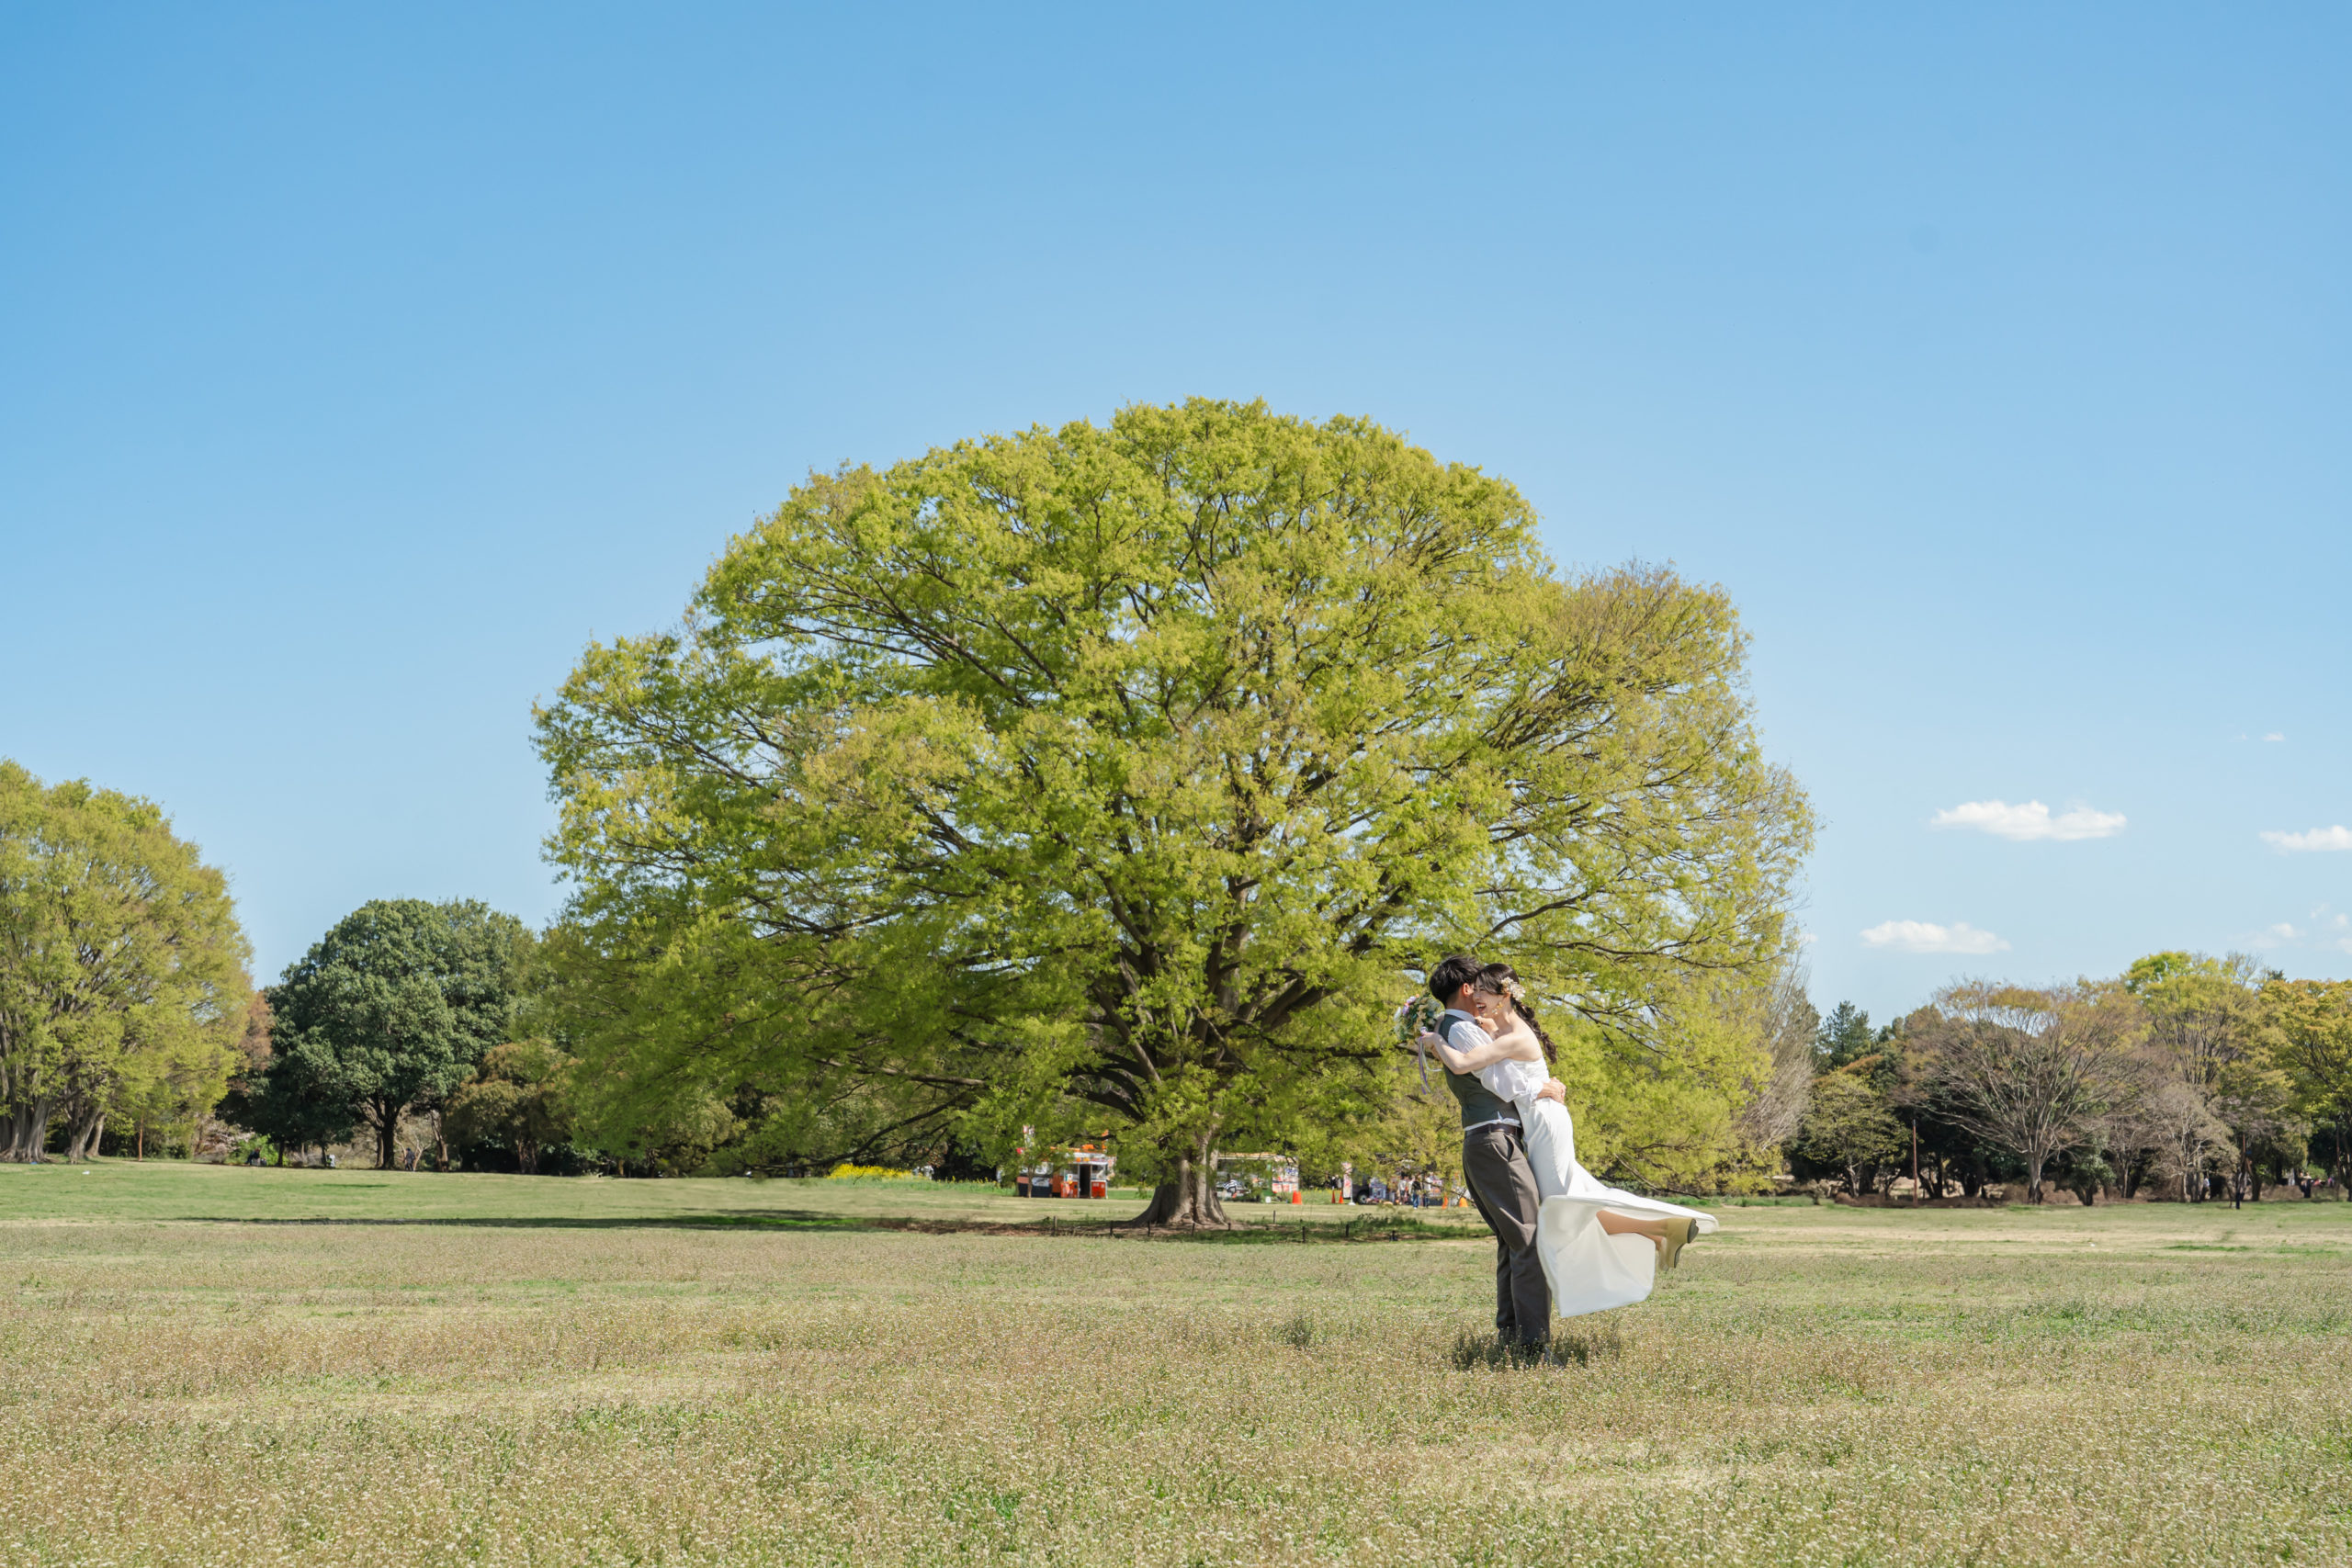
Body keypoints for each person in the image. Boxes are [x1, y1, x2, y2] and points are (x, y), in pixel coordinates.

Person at [1420, 963, 1716, 1320]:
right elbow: (1480, 1045)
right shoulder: (1492, 1027)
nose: (1478, 997)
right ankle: (1658, 1232)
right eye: (1475, 989)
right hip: (1535, 1122)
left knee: (1563, 1208)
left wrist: (1436, 1040)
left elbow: (1468, 1065)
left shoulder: (1513, 1035)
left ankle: (1664, 1228)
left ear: (1504, 996)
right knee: (1563, 1206)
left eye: (1484, 990)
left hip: (1545, 1121)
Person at [1415, 952, 1560, 1351]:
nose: (1484, 994)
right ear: (1466, 988)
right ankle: (1533, 1346)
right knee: (1530, 1240)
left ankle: (1512, 1338)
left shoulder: (1453, 1027)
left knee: (1513, 1241)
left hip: (1486, 1140)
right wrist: (1542, 1088)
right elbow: (1501, 1079)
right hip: (1495, 1141)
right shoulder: (1460, 1030)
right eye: (1478, 986)